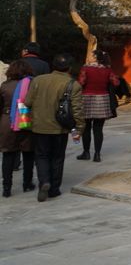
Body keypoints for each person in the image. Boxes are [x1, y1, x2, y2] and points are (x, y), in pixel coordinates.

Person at [23, 53, 83, 202]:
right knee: (57, 157)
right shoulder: (72, 84)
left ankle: (45, 182)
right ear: (69, 68)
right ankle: (54, 189)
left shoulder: (38, 80)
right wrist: (79, 129)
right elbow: (77, 110)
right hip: (60, 128)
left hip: (39, 126)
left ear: (52, 66)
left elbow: (28, 102)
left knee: (41, 156)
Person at [75, 50, 119, 163]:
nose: (89, 57)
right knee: (98, 129)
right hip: (102, 100)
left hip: (86, 100)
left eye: (91, 55)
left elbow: (80, 83)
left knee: (86, 128)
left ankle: (86, 152)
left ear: (95, 58)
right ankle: (97, 154)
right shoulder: (107, 69)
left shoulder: (86, 69)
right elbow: (116, 83)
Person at [1, 60, 35, 197]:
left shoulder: (5, 85)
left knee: (8, 155)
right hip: (27, 119)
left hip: (7, 120)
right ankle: (27, 184)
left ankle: (7, 188)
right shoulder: (32, 85)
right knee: (28, 154)